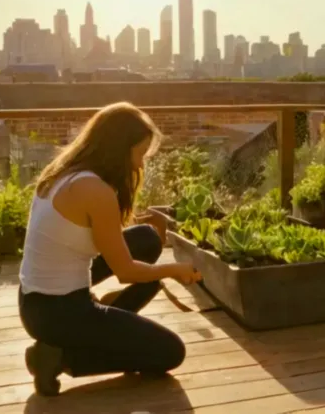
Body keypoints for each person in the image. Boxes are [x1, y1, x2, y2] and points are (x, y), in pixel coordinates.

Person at [18, 102, 202, 396]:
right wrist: (174, 270)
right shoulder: (95, 191)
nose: (140, 164)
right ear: (119, 148)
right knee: (169, 352)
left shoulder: (63, 171)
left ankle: (105, 321)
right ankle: (59, 357)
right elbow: (127, 271)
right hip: (59, 313)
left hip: (34, 300)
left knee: (146, 239)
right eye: (139, 153)